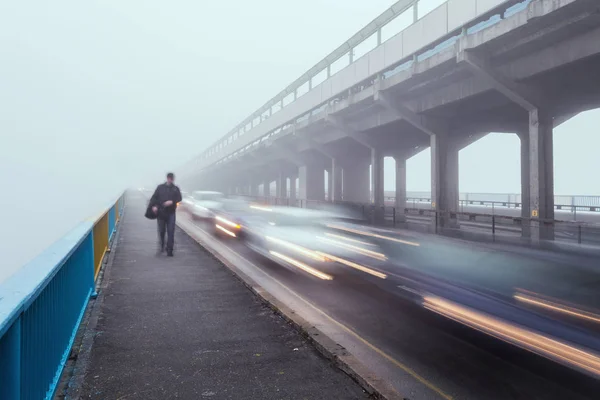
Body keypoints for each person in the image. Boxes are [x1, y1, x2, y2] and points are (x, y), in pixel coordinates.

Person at [149, 172, 182, 256]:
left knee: (171, 232)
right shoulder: (160, 188)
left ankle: (169, 250)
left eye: (172, 179)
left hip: (171, 213)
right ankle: (162, 246)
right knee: (161, 231)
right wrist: (154, 206)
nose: (170, 180)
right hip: (161, 213)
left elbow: (179, 198)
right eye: (169, 178)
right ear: (167, 178)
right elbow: (154, 198)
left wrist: (172, 201)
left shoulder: (175, 189)